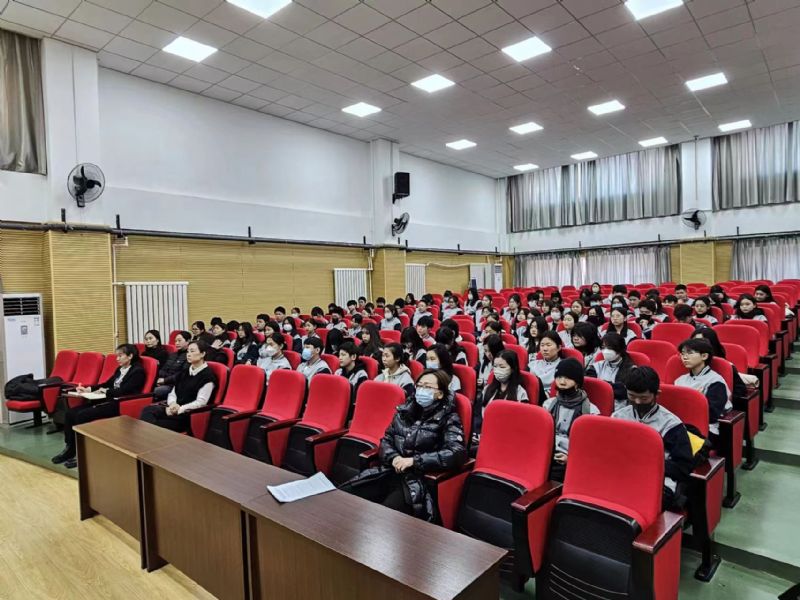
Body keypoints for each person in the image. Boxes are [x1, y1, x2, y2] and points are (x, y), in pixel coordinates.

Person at [341, 369, 466, 521]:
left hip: (416, 481)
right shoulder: (404, 411)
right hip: (389, 471)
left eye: (427, 387)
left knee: (381, 517)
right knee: (345, 496)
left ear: (440, 394)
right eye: (419, 386)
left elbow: (456, 452)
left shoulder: (449, 418)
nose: (422, 390)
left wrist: (414, 461)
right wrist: (393, 457)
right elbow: (386, 440)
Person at [52, 344, 146, 468]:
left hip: (119, 404)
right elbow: (107, 384)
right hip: (106, 400)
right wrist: (88, 389)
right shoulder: (120, 369)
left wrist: (106, 392)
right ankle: (70, 448)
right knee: (70, 414)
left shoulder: (138, 371)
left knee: (82, 416)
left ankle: (83, 453)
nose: (117, 358)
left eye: (120, 355)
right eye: (116, 355)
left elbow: (125, 391)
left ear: (130, 356)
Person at [613, 366, 693, 511]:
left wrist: (646, 464)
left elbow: (683, 467)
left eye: (644, 398)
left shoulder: (671, 425)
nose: (637, 402)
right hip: (622, 473)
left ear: (657, 394)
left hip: (658, 479)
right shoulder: (618, 417)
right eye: (631, 396)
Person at [140, 340, 218, 433]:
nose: (188, 354)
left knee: (156, 425)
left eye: (192, 351)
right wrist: (172, 404)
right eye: (188, 351)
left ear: (202, 354)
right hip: (174, 408)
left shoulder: (208, 376)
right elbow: (173, 392)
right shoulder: (185, 372)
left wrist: (180, 409)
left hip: (187, 414)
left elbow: (201, 402)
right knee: (147, 410)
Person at [543, 358, 600, 482]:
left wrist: (571, 459)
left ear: (577, 383)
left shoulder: (591, 411)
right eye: (559, 377)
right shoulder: (548, 404)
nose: (562, 382)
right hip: (546, 453)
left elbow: (591, 446)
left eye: (568, 378)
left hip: (571, 458)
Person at [674, 338, 731, 437]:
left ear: (704, 356)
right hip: (680, 425)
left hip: (705, 429)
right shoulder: (679, 380)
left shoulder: (715, 381)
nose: (685, 357)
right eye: (682, 354)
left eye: (690, 353)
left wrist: (697, 401)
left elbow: (712, 415)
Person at [474, 350, 529, 443]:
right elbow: (477, 415)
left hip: (507, 438)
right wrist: (478, 433)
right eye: (495, 366)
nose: (497, 370)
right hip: (484, 435)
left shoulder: (520, 393)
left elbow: (521, 423)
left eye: (502, 367)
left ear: (512, 369)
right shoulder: (487, 389)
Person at [587, 332, 637, 411]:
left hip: (620, 409)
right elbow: (591, 387)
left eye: (610, 348)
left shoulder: (631, 370)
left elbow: (623, 392)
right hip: (596, 407)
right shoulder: (596, 366)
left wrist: (601, 384)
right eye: (603, 347)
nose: (606, 351)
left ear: (620, 349)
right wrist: (612, 386)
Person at [154, 330, 190, 399]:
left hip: (175, 385)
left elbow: (181, 374)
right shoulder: (172, 355)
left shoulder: (189, 356)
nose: (177, 343)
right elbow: (163, 369)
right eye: (175, 341)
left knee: (154, 391)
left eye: (179, 341)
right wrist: (160, 379)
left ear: (188, 341)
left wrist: (165, 380)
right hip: (165, 381)